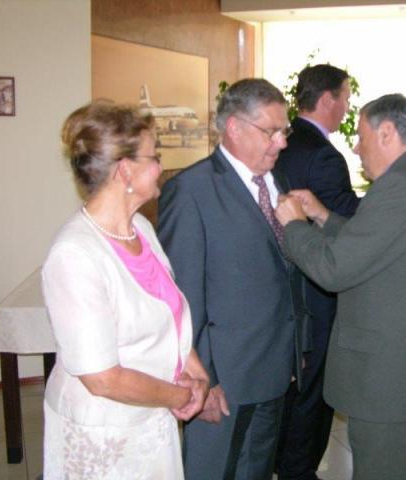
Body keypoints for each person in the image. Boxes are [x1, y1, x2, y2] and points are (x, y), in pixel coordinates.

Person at [275, 93, 406, 480]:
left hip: (393, 384)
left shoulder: (399, 187)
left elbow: (334, 269)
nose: (357, 149)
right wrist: (323, 216)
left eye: (361, 137)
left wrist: (293, 226)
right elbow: (377, 245)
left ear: (387, 133)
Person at [41, 102, 209, 480]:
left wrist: (196, 374)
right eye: (154, 157)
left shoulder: (140, 229)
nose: (160, 167)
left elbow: (168, 313)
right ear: (124, 170)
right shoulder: (74, 255)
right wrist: (180, 396)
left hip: (151, 417)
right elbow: (102, 378)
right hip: (106, 433)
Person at [157, 78, 308, 480]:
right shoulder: (190, 190)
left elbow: (284, 274)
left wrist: (295, 347)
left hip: (274, 368)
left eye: (284, 131)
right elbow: (181, 298)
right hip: (223, 380)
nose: (281, 143)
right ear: (234, 128)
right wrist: (201, 380)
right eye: (271, 131)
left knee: (256, 470)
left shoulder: (278, 181)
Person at [275, 64, 360, 480]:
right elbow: (347, 220)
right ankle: (300, 470)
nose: (347, 107)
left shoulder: (281, 143)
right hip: (316, 292)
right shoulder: (324, 155)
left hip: (282, 287)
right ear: (327, 99)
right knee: (313, 393)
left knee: (290, 389)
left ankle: (281, 463)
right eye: (345, 98)